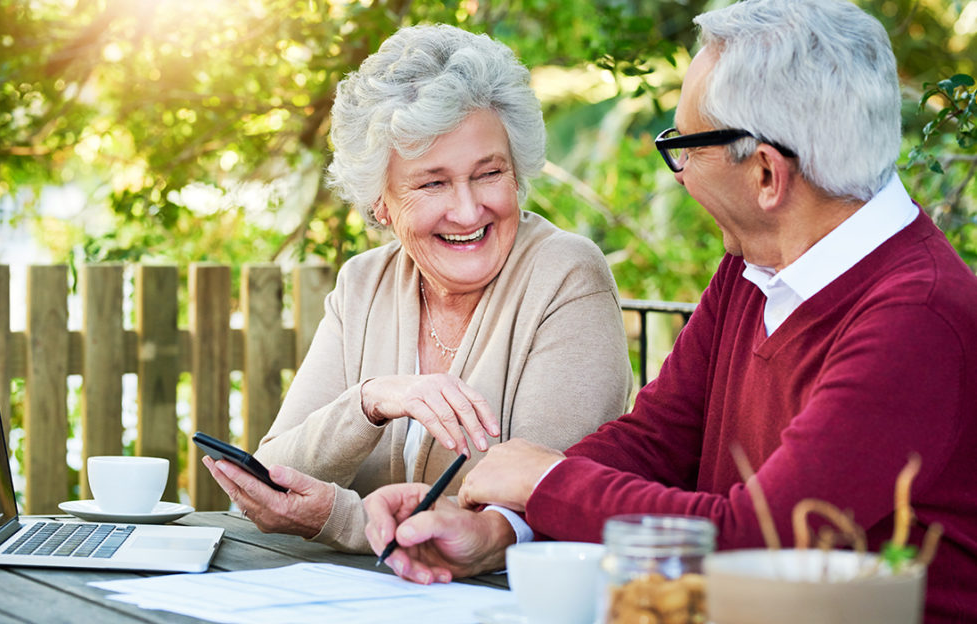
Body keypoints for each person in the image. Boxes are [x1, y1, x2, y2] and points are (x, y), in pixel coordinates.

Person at [362, 1, 977, 620]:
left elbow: (756, 539)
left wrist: (545, 482)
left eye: (685, 146)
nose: (679, 173)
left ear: (767, 173)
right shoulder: (756, 267)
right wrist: (501, 526)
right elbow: (656, 440)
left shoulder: (917, 319)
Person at [201, 24, 632, 555]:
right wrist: (373, 400)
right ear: (380, 202)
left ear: (516, 172)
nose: (469, 210)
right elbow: (274, 479)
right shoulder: (364, 283)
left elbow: (530, 512)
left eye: (488, 173)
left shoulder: (565, 276)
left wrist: (342, 517)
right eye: (433, 183)